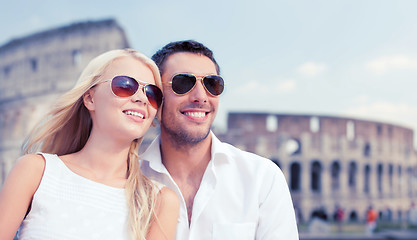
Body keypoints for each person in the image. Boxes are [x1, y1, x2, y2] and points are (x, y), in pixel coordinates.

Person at [0, 49, 179, 240]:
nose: (142, 99)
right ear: (90, 98)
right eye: (125, 85)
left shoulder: (159, 201)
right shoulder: (35, 171)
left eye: (152, 94)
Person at [140, 40, 299, 239]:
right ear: (155, 95)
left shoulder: (262, 179)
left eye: (211, 84)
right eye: (182, 83)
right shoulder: (128, 182)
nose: (200, 96)